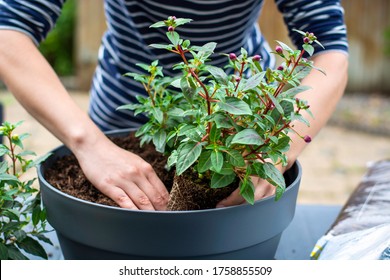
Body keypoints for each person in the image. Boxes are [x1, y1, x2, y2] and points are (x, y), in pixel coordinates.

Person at [0, 0, 348, 210]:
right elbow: (9, 30)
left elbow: (329, 49)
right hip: (128, 110)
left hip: (238, 120)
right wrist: (89, 143)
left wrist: (279, 146)